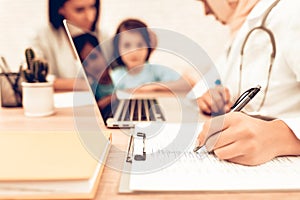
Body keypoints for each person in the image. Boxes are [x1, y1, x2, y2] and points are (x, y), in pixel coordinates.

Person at [195, 0, 300, 166]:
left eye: (204, 1)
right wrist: (209, 98)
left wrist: (281, 137)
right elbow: (210, 83)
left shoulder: (293, 12)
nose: (206, 11)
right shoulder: (244, 28)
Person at [29, 0, 109, 91]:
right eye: (79, 10)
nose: (90, 17)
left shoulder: (102, 36)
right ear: (60, 9)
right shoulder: (42, 37)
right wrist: (81, 84)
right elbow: (35, 79)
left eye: (92, 7)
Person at [110, 18, 191, 92]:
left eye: (140, 45)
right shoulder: (116, 76)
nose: (134, 51)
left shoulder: (154, 71)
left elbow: (186, 83)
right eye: (127, 45)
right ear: (117, 48)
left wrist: (153, 87)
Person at [73, 33, 115, 110]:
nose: (92, 66)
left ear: (104, 53)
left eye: (93, 56)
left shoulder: (119, 74)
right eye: (85, 63)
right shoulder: (93, 87)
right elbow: (95, 108)